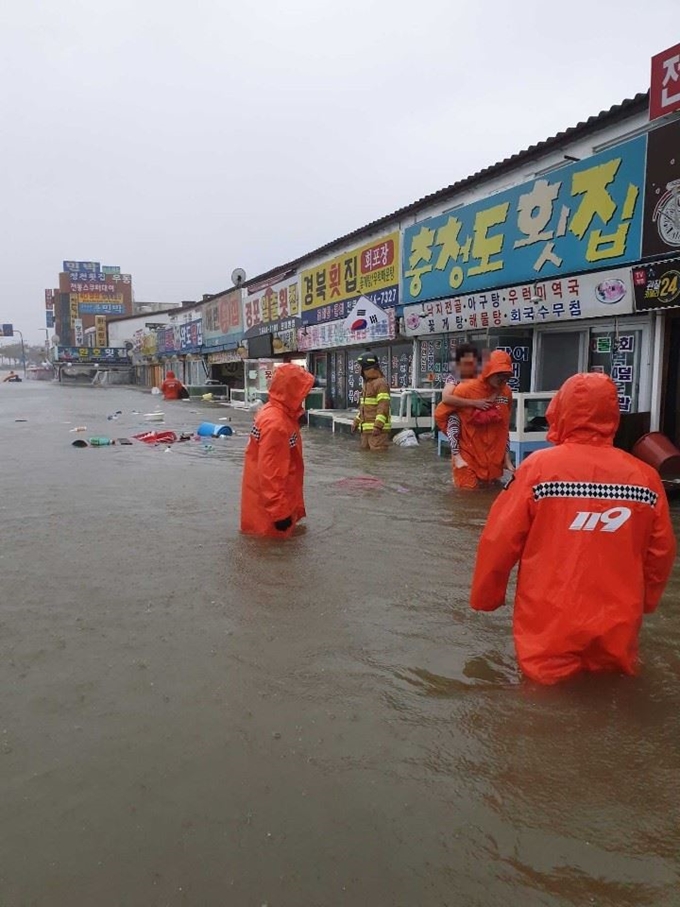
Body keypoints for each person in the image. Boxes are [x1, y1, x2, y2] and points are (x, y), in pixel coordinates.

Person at [470, 372, 676, 685]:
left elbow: (499, 539)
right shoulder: (646, 478)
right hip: (618, 618)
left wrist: (486, 596)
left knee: (542, 701)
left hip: (549, 620)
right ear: (613, 414)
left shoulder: (538, 470)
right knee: (614, 696)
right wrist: (645, 601)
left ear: (559, 410)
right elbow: (660, 552)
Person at [240, 363, 315, 538]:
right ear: (292, 391)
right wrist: (279, 513)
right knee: (274, 557)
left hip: (263, 501)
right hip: (270, 511)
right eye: (302, 392)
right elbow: (270, 472)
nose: (305, 396)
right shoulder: (277, 423)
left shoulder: (274, 413)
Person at [449, 349, 515, 489]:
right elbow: (449, 419)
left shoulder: (506, 392)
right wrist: (456, 454)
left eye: (507, 377)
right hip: (468, 457)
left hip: (494, 460)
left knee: (491, 499)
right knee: (466, 499)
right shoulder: (465, 389)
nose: (503, 380)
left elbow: (504, 427)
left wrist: (506, 457)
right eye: (500, 375)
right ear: (489, 371)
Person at [434, 344, 495, 470]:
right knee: (454, 421)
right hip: (458, 414)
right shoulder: (454, 378)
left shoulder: (481, 380)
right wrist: (474, 403)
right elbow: (446, 397)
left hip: (477, 421)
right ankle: (456, 455)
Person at [351, 353, 391, 451]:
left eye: (361, 367)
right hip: (366, 431)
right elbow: (364, 408)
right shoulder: (368, 384)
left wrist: (378, 426)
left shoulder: (380, 384)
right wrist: (356, 421)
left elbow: (383, 406)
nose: (360, 371)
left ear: (367, 368)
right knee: (366, 459)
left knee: (377, 458)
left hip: (377, 432)